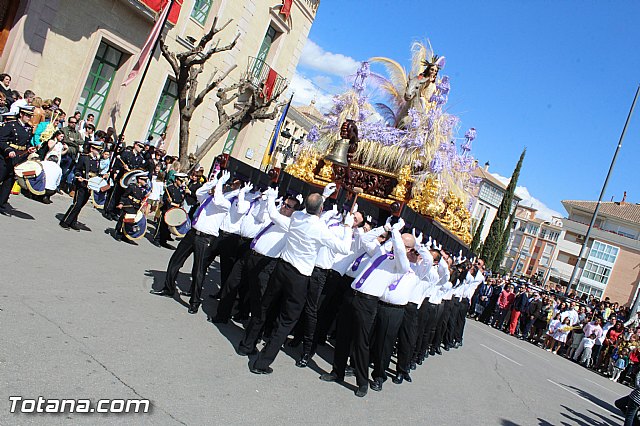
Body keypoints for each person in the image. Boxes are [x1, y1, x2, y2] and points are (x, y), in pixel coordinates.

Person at [240, 186, 354, 377]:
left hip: (282, 268)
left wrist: (323, 196)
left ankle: (247, 344)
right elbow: (343, 248)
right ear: (320, 210)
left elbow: (308, 210)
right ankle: (262, 362)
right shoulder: (320, 229)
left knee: (265, 306)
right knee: (286, 320)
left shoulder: (298, 217)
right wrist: (348, 226)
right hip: (299, 276)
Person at [320, 218, 410, 398]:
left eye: (401, 242)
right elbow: (365, 239)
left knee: (361, 343)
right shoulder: (380, 252)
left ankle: (362, 382)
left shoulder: (400, 265)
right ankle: (337, 371)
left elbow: (400, 252)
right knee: (343, 336)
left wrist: (397, 234)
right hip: (352, 295)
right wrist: (385, 228)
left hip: (368, 303)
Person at [150, 171, 237, 314]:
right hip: (192, 233)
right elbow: (199, 192)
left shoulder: (224, 203)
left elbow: (218, 199)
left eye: (218, 187)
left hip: (205, 238)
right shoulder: (208, 198)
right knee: (175, 260)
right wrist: (213, 181)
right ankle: (168, 288)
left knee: (198, 270)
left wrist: (220, 184)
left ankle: (195, 302)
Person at [59, 140, 103, 230]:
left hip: (90, 185)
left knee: (81, 204)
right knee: (77, 204)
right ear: (92, 149)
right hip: (81, 184)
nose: (98, 152)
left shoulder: (97, 160)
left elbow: (95, 173)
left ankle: (73, 222)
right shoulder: (84, 158)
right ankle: (65, 221)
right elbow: (77, 169)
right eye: (97, 150)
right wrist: (78, 176)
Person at [0, 106, 36, 214]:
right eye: (27, 115)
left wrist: (29, 148)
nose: (29, 118)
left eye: (30, 116)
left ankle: (1, 204)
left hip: (18, 158)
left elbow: (26, 143)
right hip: (5, 157)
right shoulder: (10, 125)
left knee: (9, 181)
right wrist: (8, 150)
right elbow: (1, 140)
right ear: (21, 114)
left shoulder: (28, 129)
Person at [153, 172, 187, 248]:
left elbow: (180, 201)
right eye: (180, 181)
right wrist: (168, 200)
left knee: (167, 228)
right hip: (167, 209)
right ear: (176, 180)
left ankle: (163, 241)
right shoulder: (169, 188)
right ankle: (156, 239)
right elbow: (164, 199)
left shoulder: (180, 190)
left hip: (174, 211)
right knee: (161, 226)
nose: (181, 183)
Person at [113, 171, 149, 242]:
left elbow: (140, 198)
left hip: (135, 207)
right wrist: (121, 203)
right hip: (128, 205)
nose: (145, 181)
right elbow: (124, 195)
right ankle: (118, 233)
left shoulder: (142, 189)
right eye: (144, 180)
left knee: (130, 222)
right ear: (139, 180)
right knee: (123, 220)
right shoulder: (132, 186)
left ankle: (125, 235)